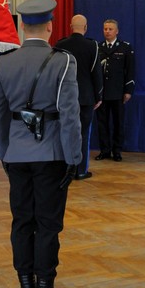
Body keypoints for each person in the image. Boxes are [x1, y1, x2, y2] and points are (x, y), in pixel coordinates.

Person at [0, 0, 82, 288]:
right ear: (51, 26)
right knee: (48, 223)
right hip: (51, 155)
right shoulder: (63, 60)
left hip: (16, 154)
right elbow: (70, 115)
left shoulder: (4, 62)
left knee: (21, 221)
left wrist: (4, 150)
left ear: (22, 27)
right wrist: (74, 158)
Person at [56, 15, 102, 180]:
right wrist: (99, 96)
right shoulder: (92, 46)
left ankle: (64, 169)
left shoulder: (60, 45)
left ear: (70, 26)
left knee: (64, 132)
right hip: (85, 98)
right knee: (83, 134)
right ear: (85, 27)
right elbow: (96, 72)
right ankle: (81, 170)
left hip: (64, 98)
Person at [95, 19, 135, 162]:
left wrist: (128, 90)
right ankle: (105, 150)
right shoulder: (98, 48)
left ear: (117, 31)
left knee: (118, 123)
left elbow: (130, 71)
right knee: (102, 123)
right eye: (105, 29)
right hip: (102, 93)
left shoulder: (125, 48)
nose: (107, 31)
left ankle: (117, 151)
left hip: (118, 92)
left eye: (110, 29)